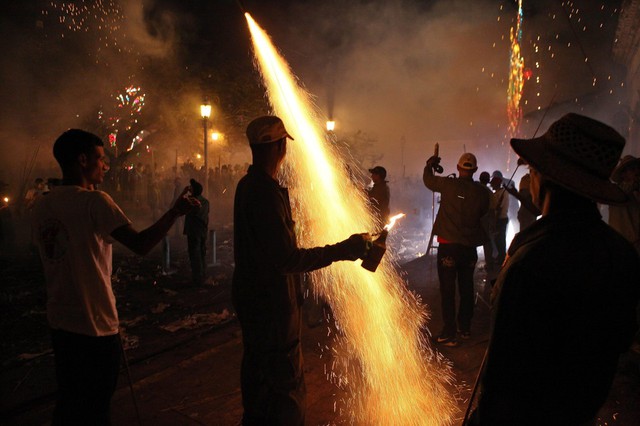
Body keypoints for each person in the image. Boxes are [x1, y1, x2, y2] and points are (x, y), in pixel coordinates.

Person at [471, 113, 640, 425]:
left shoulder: (530, 261)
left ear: (542, 177)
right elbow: (621, 338)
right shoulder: (621, 254)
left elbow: (502, 381)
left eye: (533, 170)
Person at [31, 129, 199, 425]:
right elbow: (141, 244)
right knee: (96, 408)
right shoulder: (95, 202)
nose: (105, 166)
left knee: (69, 403)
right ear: (82, 160)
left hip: (60, 322)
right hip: (95, 325)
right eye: (100, 158)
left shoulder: (43, 205)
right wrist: (175, 212)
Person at [232, 116, 370, 425]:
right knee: (283, 394)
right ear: (280, 147)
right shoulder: (264, 193)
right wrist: (343, 250)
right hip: (272, 309)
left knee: (260, 387)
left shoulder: (249, 186)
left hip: (258, 304)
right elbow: (285, 259)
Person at [423, 152, 490, 346]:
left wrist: (429, 165)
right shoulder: (482, 192)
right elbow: (484, 212)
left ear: (459, 168)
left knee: (448, 290)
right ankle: (465, 328)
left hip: (448, 246)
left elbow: (428, 180)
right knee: (467, 287)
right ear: (475, 170)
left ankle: (449, 333)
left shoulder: (448, 184)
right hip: (469, 248)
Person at [183, 178, 210, 286]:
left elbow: (177, 205)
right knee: (202, 253)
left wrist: (184, 192)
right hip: (203, 230)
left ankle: (197, 278)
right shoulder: (206, 201)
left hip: (193, 231)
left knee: (194, 254)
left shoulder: (191, 201)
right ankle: (202, 274)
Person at [489, 170, 510, 268]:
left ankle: (502, 259)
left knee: (500, 240)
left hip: (501, 219)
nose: (491, 185)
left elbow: (498, 209)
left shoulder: (503, 193)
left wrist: (495, 222)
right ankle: (500, 257)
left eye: (493, 183)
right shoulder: (498, 193)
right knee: (498, 240)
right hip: (499, 219)